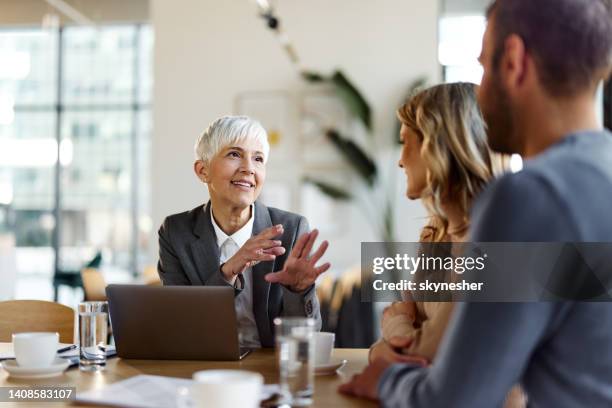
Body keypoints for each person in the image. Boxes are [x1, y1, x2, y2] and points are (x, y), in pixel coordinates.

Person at [339, 0, 612, 406]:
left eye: (483, 67)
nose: (479, 94)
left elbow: (454, 399)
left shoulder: (530, 197)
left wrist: (386, 379)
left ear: (514, 61)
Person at [157, 116, 330, 348]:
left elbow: (305, 339)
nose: (249, 168)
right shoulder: (176, 232)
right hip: (204, 365)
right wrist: (227, 272)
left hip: (270, 366)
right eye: (234, 154)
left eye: (258, 159)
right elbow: (183, 325)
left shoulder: (291, 230)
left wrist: (299, 290)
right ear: (202, 170)